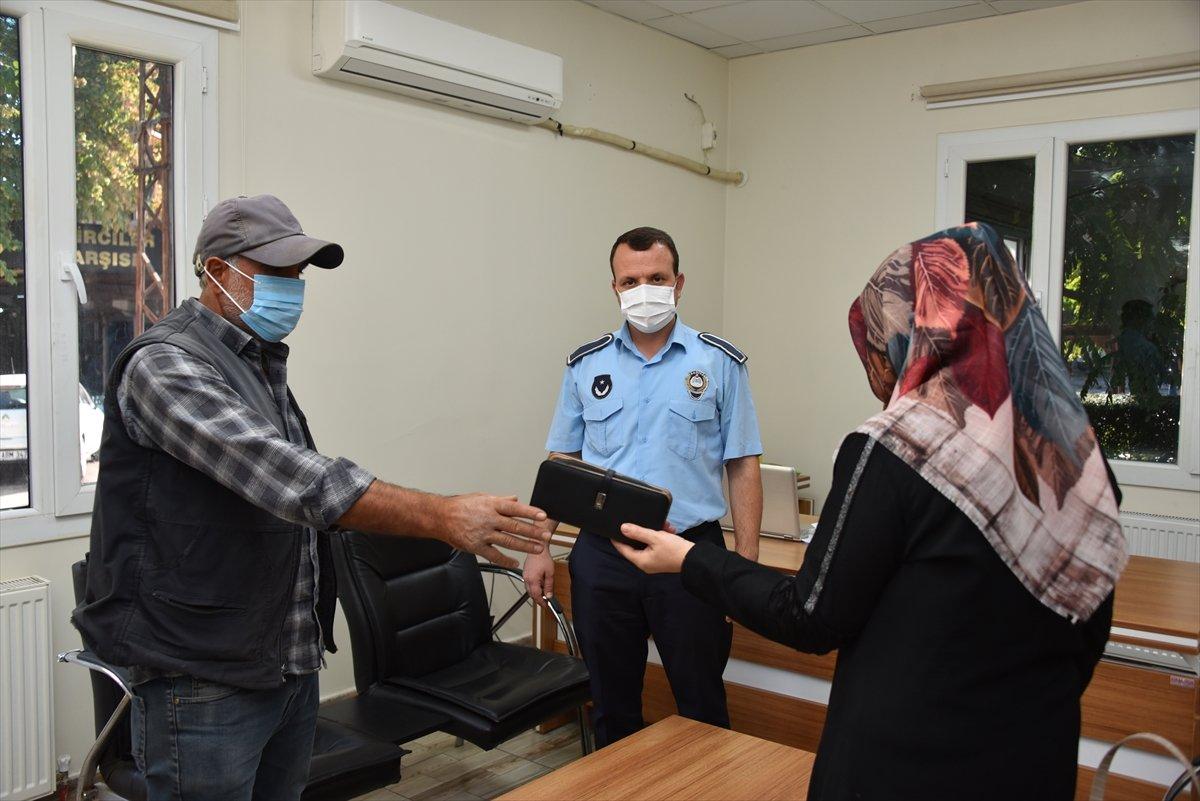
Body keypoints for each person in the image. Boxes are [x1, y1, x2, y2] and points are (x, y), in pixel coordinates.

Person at [615, 222, 1128, 800]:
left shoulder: (896, 447)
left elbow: (811, 613)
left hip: (907, 761)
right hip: (1033, 757)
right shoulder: (1076, 460)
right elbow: (1088, 618)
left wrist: (690, 561)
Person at [73, 195, 549, 801]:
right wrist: (444, 516)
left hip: (284, 665)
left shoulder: (258, 363)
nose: (294, 289)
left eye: (299, 276)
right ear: (218, 272)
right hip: (204, 677)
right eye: (277, 274)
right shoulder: (163, 365)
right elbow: (293, 481)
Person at [522, 226, 764, 748]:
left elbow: (743, 463)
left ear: (679, 283)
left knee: (701, 705)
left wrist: (741, 566)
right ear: (614, 288)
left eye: (656, 277)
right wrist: (539, 546)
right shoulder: (587, 365)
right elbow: (562, 464)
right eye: (630, 280)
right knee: (610, 706)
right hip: (603, 557)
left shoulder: (719, 362)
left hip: (690, 556)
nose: (644, 289)